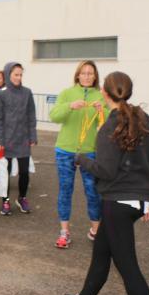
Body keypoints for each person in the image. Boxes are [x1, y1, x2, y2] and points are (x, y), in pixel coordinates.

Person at [63, 71, 149, 295]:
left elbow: (106, 171)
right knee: (102, 253)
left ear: (103, 92)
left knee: (129, 270)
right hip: (136, 201)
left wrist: (81, 159)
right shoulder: (145, 118)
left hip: (118, 203)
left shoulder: (109, 128)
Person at [50, 61, 108, 249]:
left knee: (93, 192)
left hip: (90, 152)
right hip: (65, 150)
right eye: (83, 73)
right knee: (65, 190)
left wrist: (102, 110)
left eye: (90, 73)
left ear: (95, 76)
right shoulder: (67, 93)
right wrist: (70, 106)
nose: (86, 76)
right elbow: (54, 116)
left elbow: (109, 120)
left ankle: (96, 231)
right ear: (77, 75)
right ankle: (64, 232)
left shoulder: (101, 95)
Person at [0, 62, 37, 216]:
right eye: (15, 75)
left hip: (23, 139)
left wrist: (33, 136)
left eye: (20, 74)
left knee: (24, 172)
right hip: (6, 139)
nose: (18, 77)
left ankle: (22, 198)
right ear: (8, 75)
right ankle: (5, 200)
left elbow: (31, 116)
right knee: (6, 172)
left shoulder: (27, 92)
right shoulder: (1, 94)